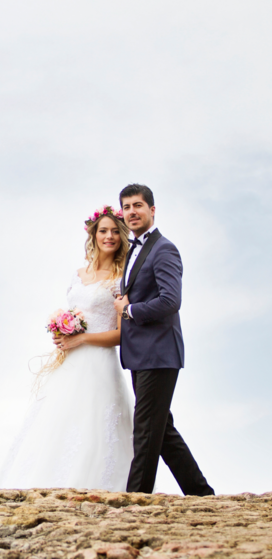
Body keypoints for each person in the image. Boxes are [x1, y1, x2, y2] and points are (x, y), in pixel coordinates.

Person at [0, 206, 134, 491]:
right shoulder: (78, 274)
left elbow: (121, 334)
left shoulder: (121, 279)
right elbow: (76, 312)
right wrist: (63, 330)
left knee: (95, 427)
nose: (108, 236)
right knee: (54, 422)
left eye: (113, 232)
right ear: (93, 235)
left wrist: (81, 339)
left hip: (99, 363)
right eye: (102, 231)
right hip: (69, 361)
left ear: (121, 236)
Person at [114, 184, 214, 496]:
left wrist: (129, 309)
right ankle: (201, 494)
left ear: (152, 210)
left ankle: (135, 499)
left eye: (138, 205)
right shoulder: (135, 249)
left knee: (145, 430)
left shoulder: (164, 248)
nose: (132, 211)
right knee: (162, 430)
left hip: (159, 353)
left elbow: (171, 301)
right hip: (141, 355)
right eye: (127, 206)